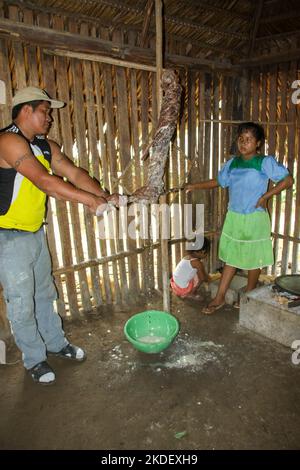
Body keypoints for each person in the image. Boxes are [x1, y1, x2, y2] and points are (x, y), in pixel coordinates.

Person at [0, 86, 119, 384]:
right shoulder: (7, 141)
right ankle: (35, 359)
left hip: (34, 233)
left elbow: (75, 173)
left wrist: (104, 196)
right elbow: (45, 182)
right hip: (7, 238)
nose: (50, 117)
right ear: (26, 110)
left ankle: (55, 343)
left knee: (44, 293)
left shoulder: (44, 145)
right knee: (21, 302)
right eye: (45, 110)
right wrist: (90, 202)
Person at [186, 122, 293, 315]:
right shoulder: (232, 163)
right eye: (241, 139)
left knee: (253, 258)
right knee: (232, 258)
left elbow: (287, 180)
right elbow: (218, 182)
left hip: (255, 217)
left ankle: (250, 292)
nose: (244, 143)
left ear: (258, 143)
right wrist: (194, 186)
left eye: (249, 139)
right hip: (234, 217)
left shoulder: (264, 162)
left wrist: (265, 197)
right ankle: (219, 298)